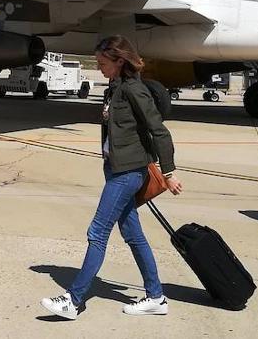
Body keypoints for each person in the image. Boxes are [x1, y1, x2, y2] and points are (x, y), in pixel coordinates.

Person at [41, 35, 181, 321]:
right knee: (133, 235)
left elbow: (159, 130)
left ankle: (74, 300)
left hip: (127, 173)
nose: (100, 67)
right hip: (116, 168)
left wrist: (168, 172)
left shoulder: (134, 90)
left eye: (104, 63)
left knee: (97, 232)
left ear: (120, 61)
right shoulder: (114, 89)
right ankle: (156, 296)